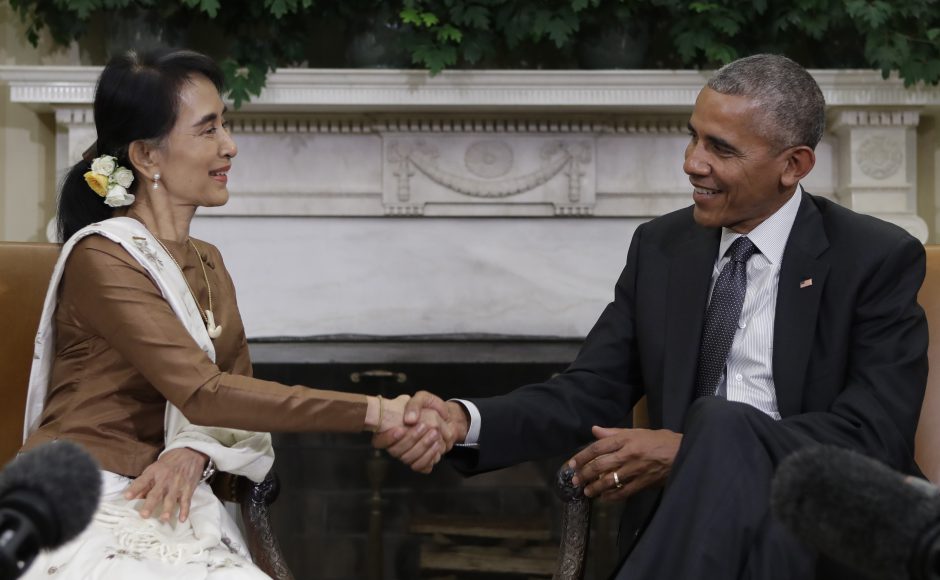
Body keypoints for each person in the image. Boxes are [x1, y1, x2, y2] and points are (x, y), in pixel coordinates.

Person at [376, 53, 929, 579]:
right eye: (692, 135)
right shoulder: (662, 248)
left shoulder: (873, 258)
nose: (692, 162)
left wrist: (695, 450)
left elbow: (873, 435)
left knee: (719, 422)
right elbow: (588, 392)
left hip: (821, 528)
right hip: (693, 527)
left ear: (794, 165)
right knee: (717, 427)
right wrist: (463, 420)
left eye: (721, 148)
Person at [19, 48, 450, 579]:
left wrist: (194, 452)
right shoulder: (103, 257)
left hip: (170, 491)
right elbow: (205, 393)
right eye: (207, 130)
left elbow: (230, 390)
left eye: (225, 125)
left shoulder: (208, 263)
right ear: (147, 157)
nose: (230, 146)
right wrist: (377, 411)